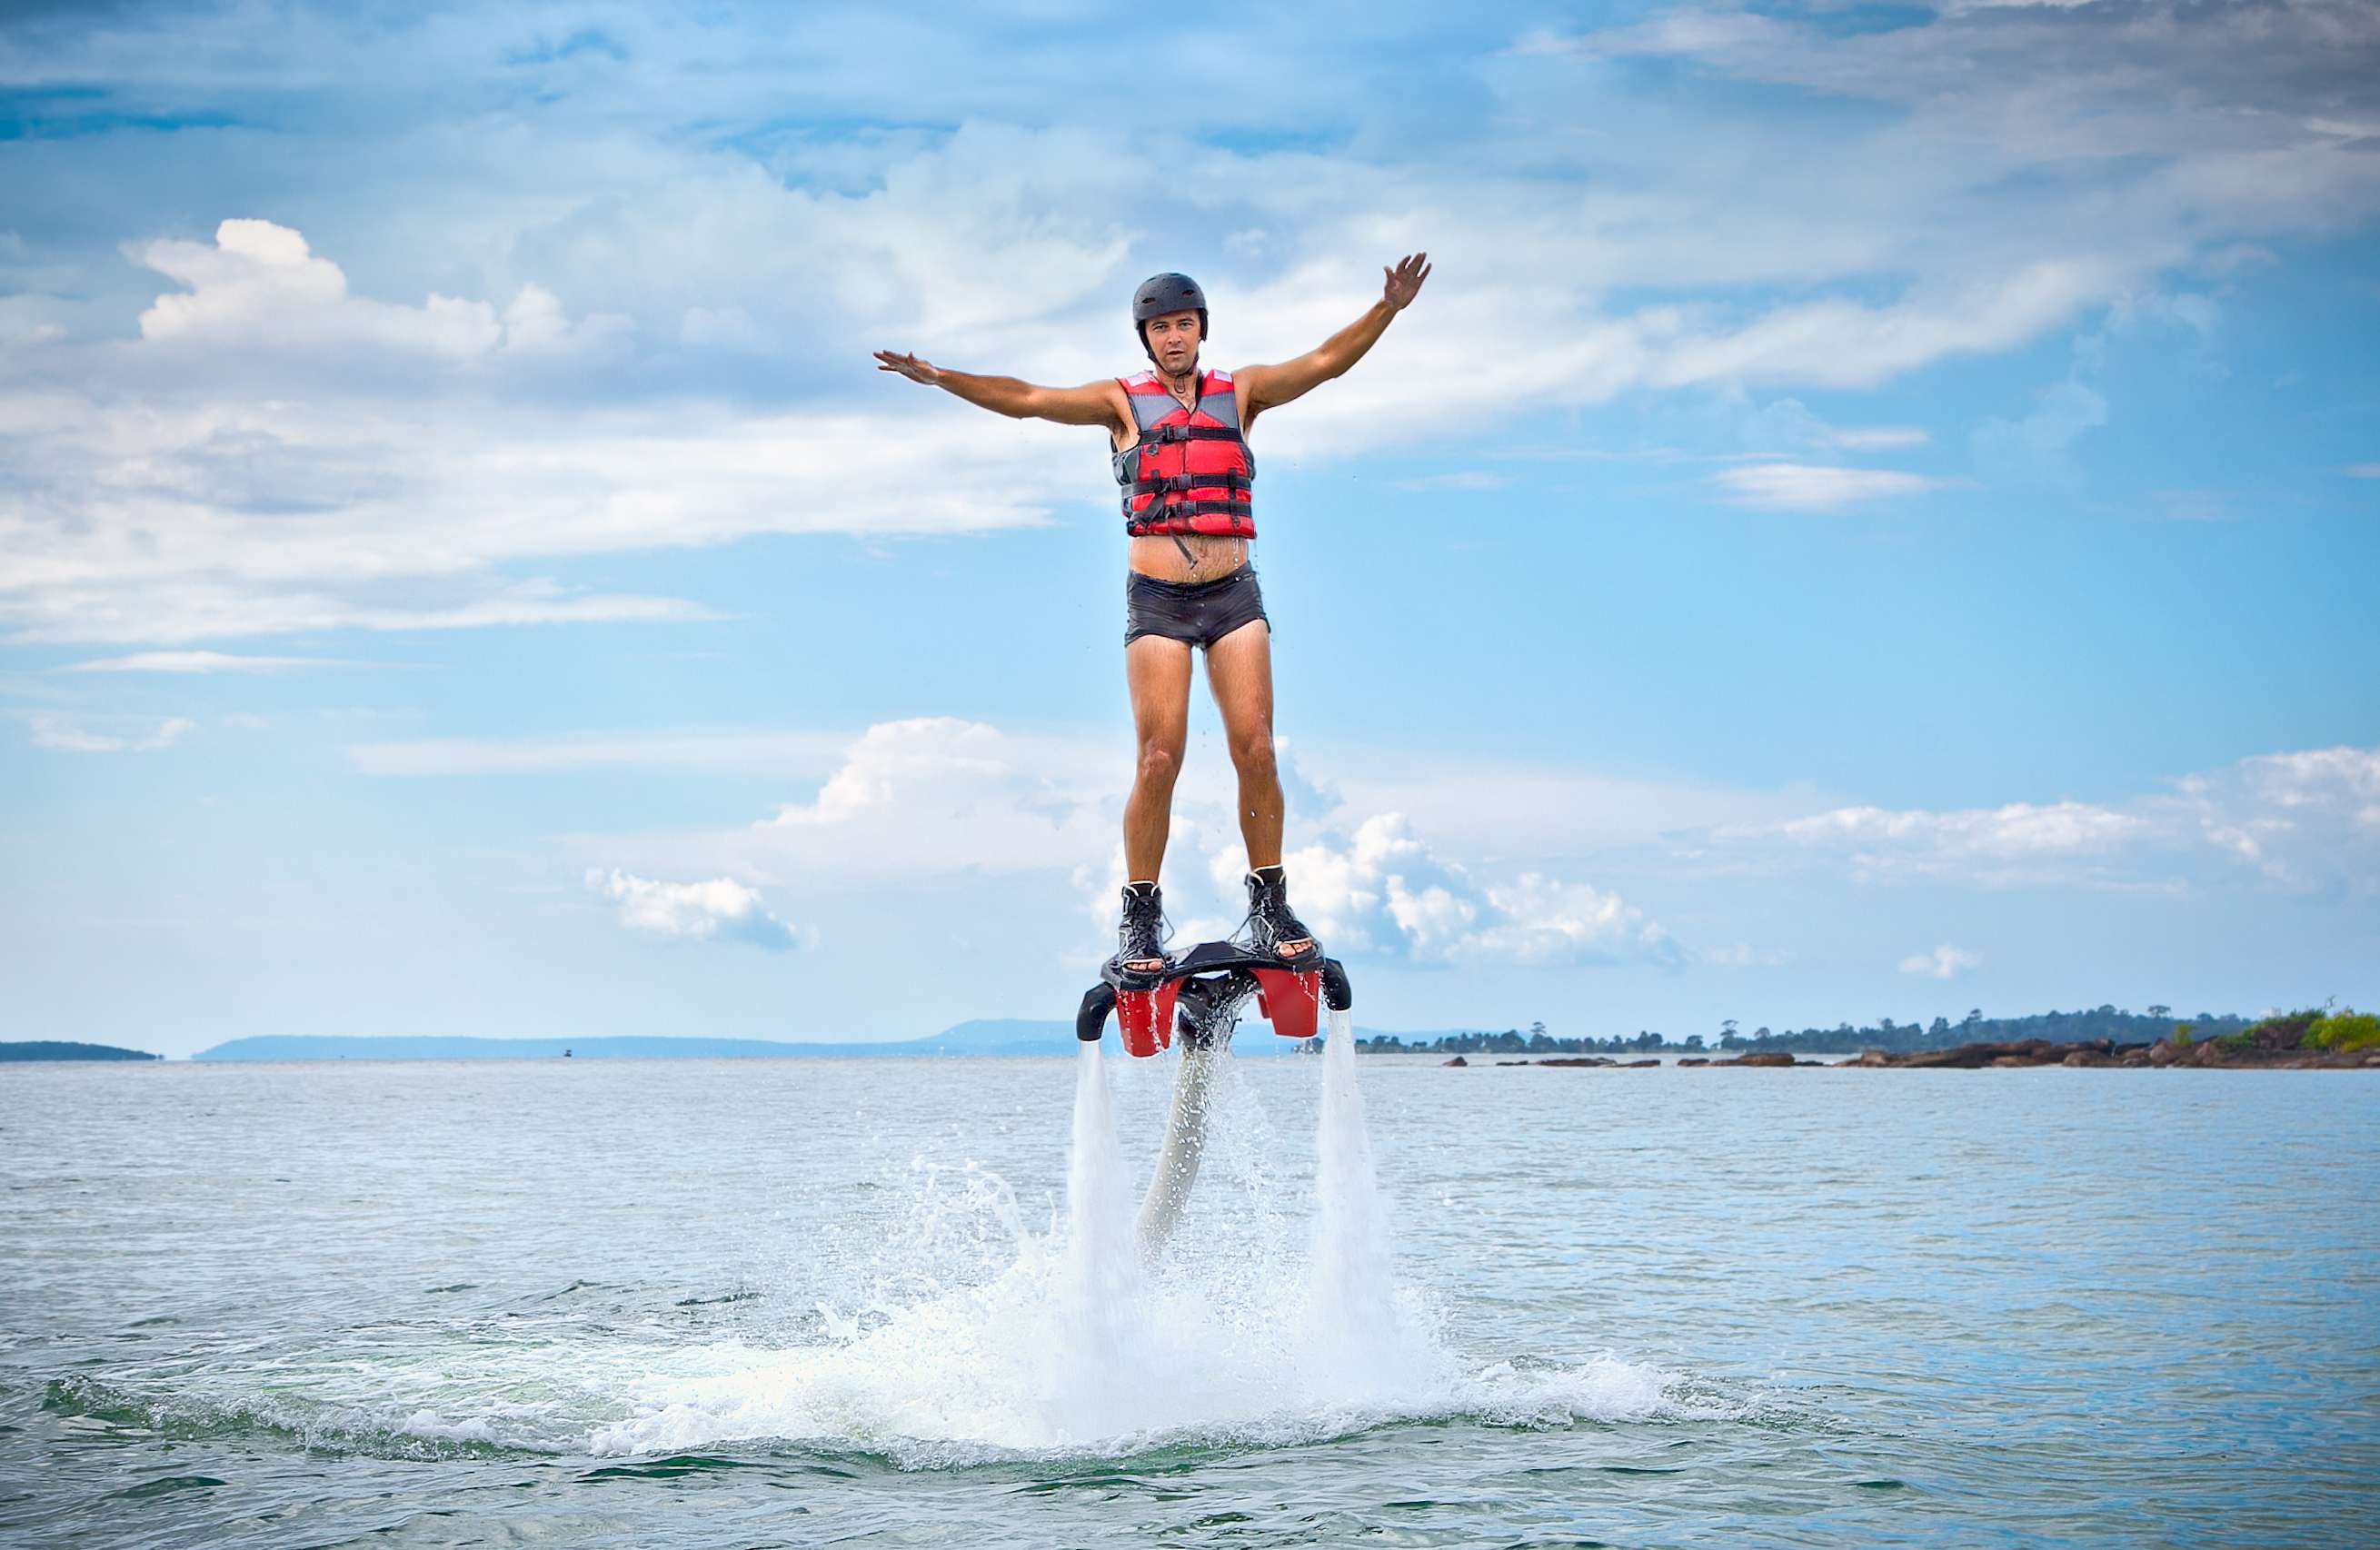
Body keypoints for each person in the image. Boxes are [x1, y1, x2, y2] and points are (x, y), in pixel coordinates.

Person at [875, 254, 1431, 979]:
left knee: (1256, 747)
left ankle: (1270, 903)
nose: (1174, 337)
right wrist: (943, 377)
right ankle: (1139, 915)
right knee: (1158, 756)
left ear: (1201, 330)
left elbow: (1325, 361)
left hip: (1233, 595)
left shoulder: (1245, 392)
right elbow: (1027, 397)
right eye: (1161, 327)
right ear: (1145, 338)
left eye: (1184, 324)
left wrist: (1386, 308)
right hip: (1158, 599)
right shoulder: (1120, 403)